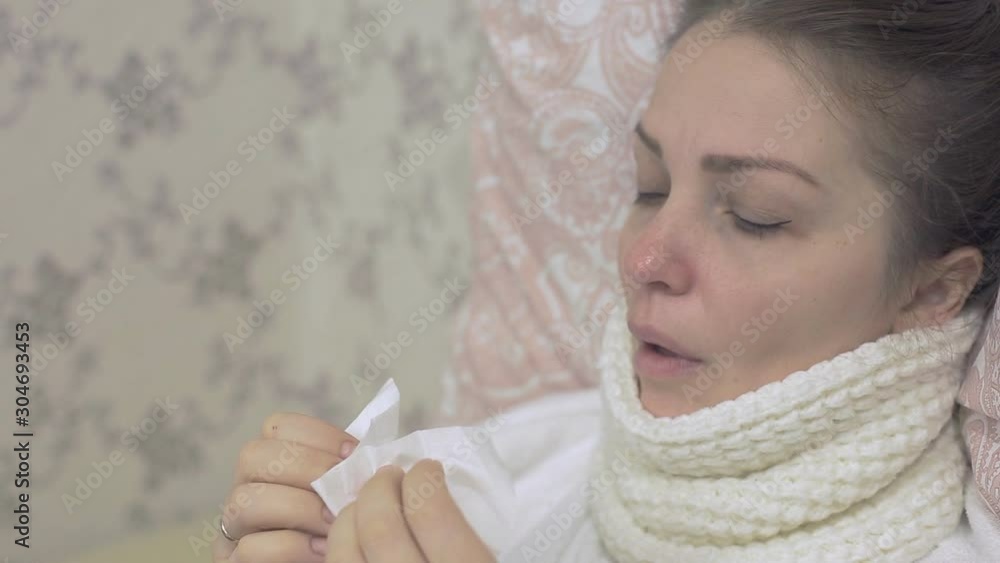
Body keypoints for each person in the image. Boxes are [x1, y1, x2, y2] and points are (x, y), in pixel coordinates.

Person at [213, 0, 1000, 561]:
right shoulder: (517, 464)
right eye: (650, 187)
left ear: (932, 290)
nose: (643, 260)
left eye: (754, 216)